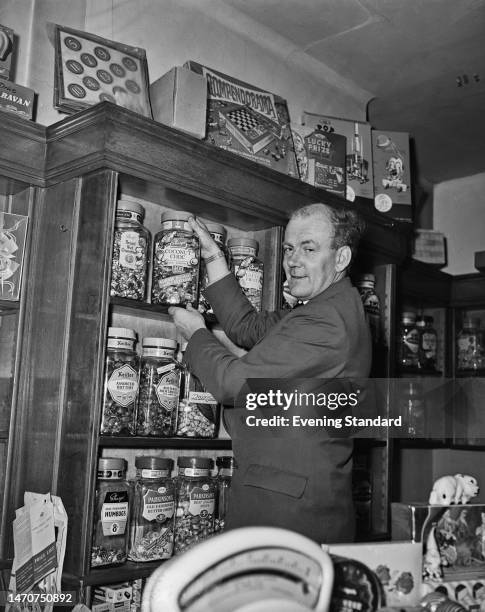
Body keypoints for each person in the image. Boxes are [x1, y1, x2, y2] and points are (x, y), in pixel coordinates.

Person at [168, 202, 371, 543]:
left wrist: (197, 336)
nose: (293, 260)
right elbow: (247, 327)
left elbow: (233, 384)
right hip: (283, 500)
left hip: (290, 512)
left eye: (309, 249)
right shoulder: (325, 308)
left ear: (341, 259)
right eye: (290, 248)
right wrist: (214, 257)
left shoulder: (327, 320)